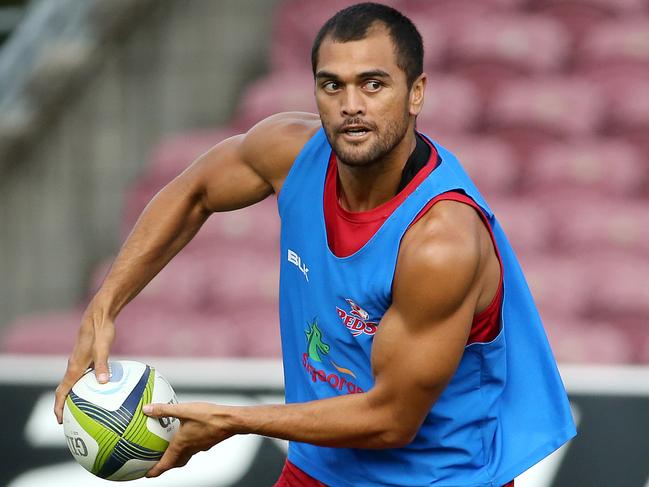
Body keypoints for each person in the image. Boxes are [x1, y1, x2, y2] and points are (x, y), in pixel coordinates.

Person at [54, 3, 576, 486]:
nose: (351, 106)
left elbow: (390, 419)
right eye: (332, 85)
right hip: (320, 467)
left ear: (417, 92)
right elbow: (193, 193)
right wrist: (105, 305)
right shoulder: (289, 150)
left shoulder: (440, 240)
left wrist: (233, 420)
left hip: (437, 477)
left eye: (373, 85)